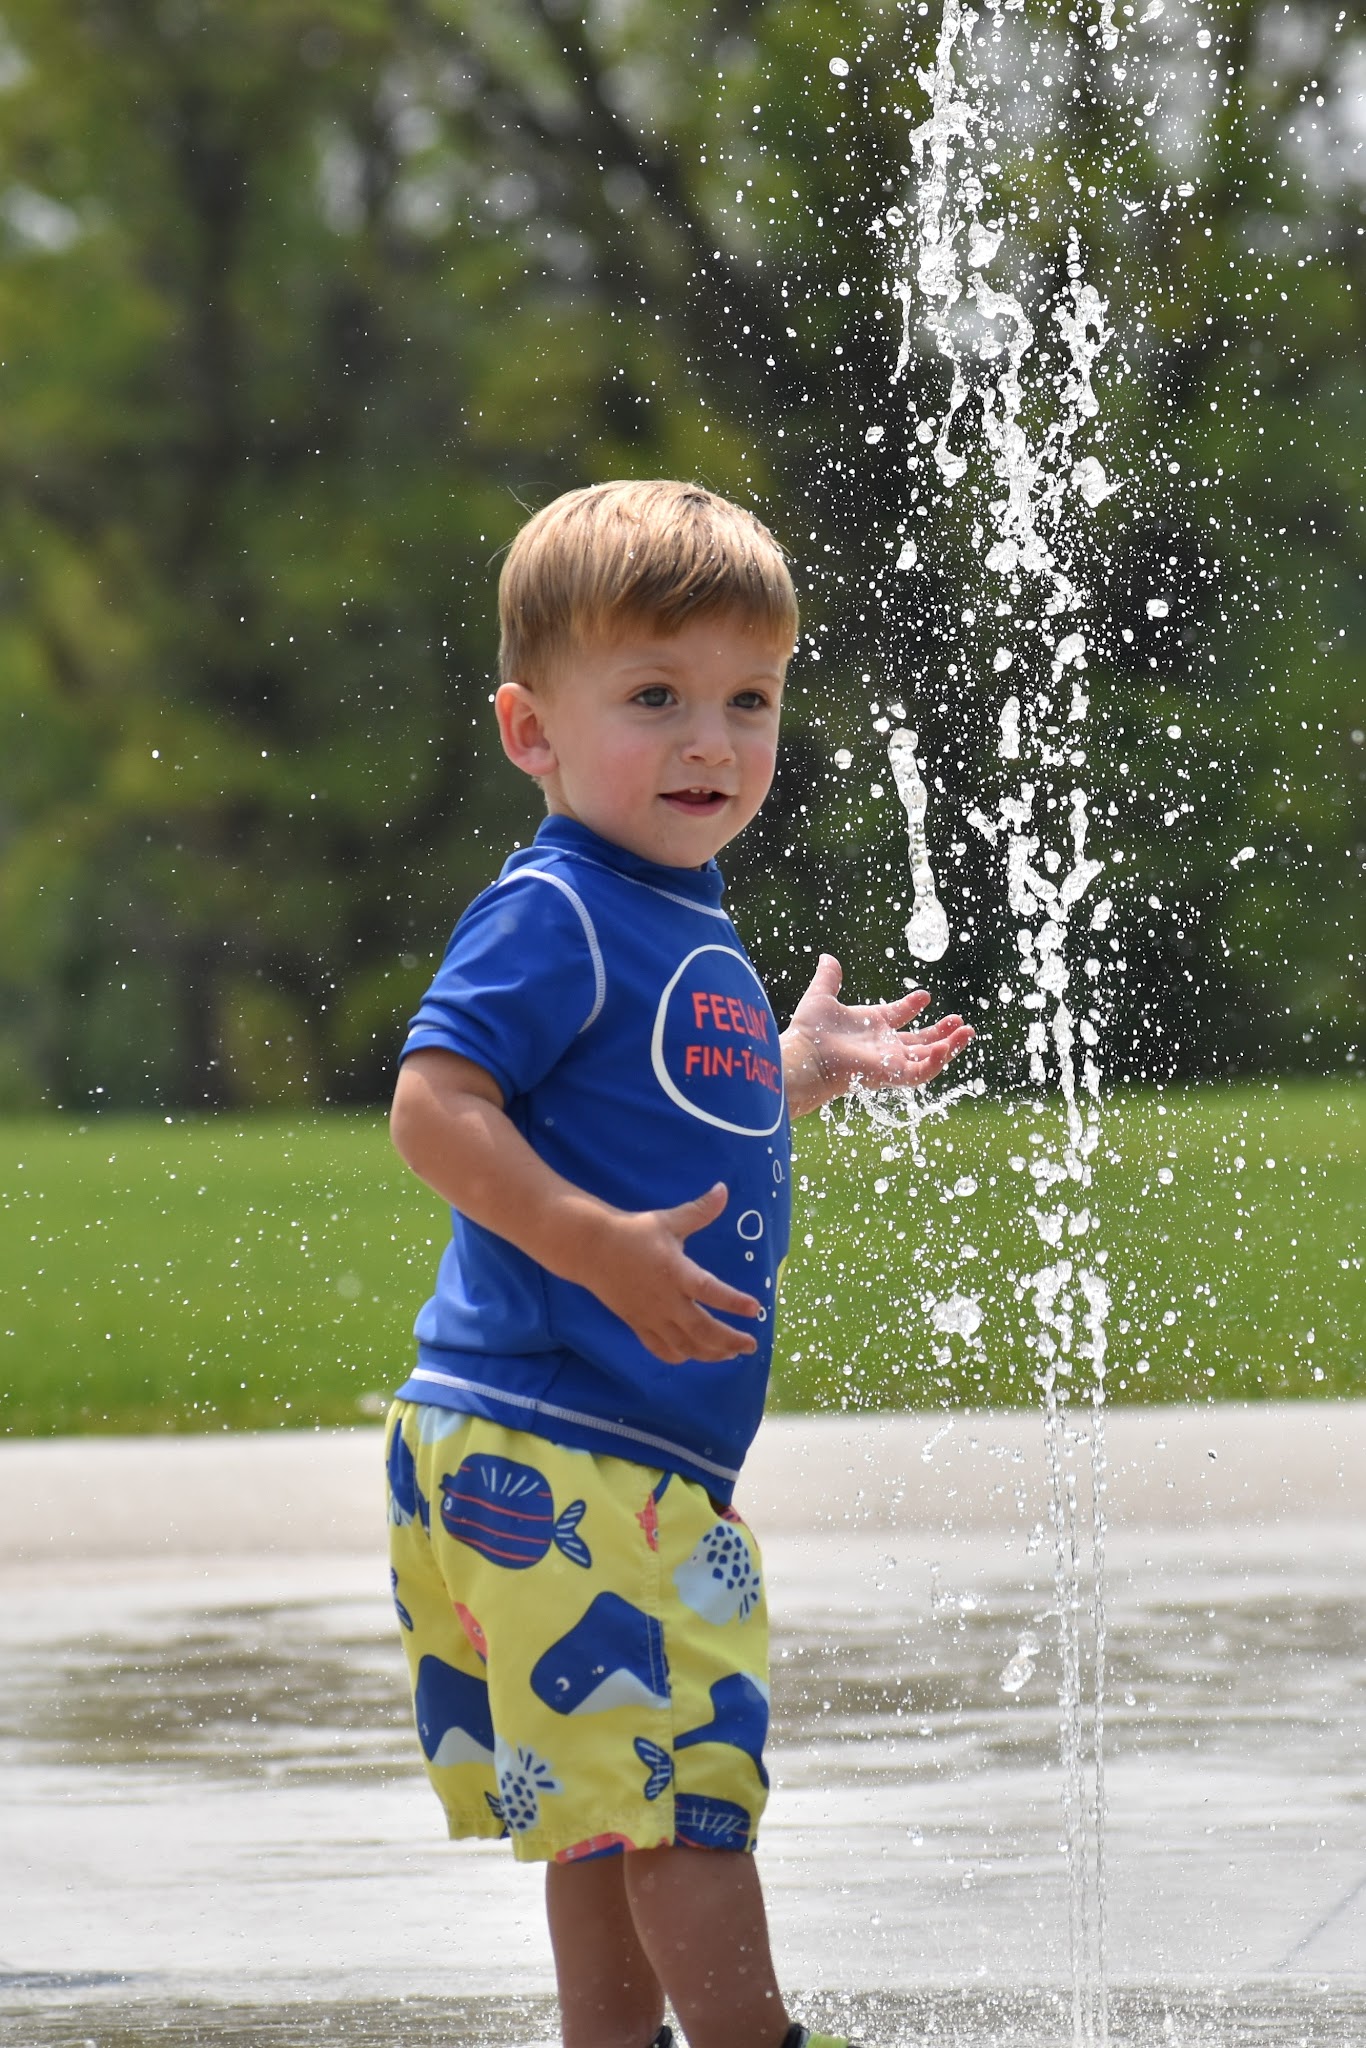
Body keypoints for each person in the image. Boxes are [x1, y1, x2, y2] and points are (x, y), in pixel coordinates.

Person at [384, 480, 974, 2048]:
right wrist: (589, 1247)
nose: (711, 741)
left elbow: (647, 1104)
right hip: (573, 1441)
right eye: (655, 698)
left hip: (543, 1442)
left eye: (746, 699)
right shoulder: (558, 909)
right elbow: (430, 1108)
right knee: (688, 1797)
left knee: (607, 1801)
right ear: (533, 733)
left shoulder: (661, 912)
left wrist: (786, 1067)